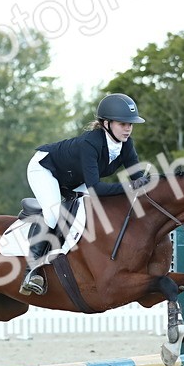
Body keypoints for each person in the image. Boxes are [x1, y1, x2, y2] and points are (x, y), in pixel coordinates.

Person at [20, 93, 151, 296]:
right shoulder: (91, 143)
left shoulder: (126, 145)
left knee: (93, 213)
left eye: (130, 124)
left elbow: (138, 180)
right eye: (123, 124)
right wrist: (130, 187)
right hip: (45, 168)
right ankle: (31, 272)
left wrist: (149, 183)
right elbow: (96, 189)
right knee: (53, 214)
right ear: (106, 123)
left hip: (73, 178)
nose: (128, 129)